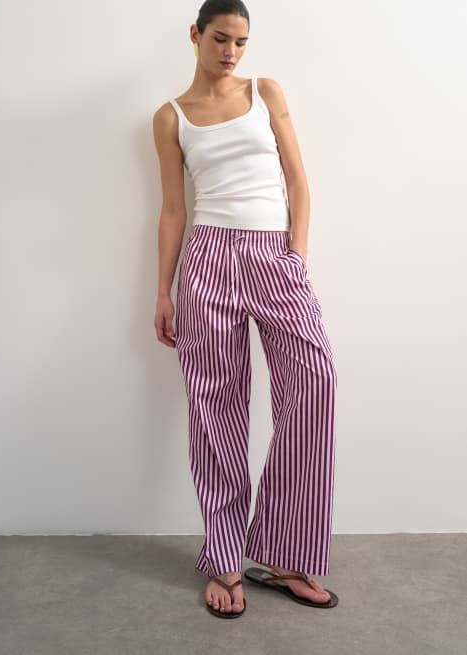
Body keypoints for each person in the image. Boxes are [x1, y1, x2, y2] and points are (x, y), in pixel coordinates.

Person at [152, 0, 338, 618]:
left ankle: (284, 554)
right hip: (207, 260)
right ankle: (226, 558)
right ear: (195, 34)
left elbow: (298, 180)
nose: (231, 52)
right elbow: (173, 210)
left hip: (274, 255)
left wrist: (297, 256)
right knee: (216, 412)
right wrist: (163, 290)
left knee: (315, 383)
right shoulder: (171, 116)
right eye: (221, 39)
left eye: (241, 42)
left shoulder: (265, 92)